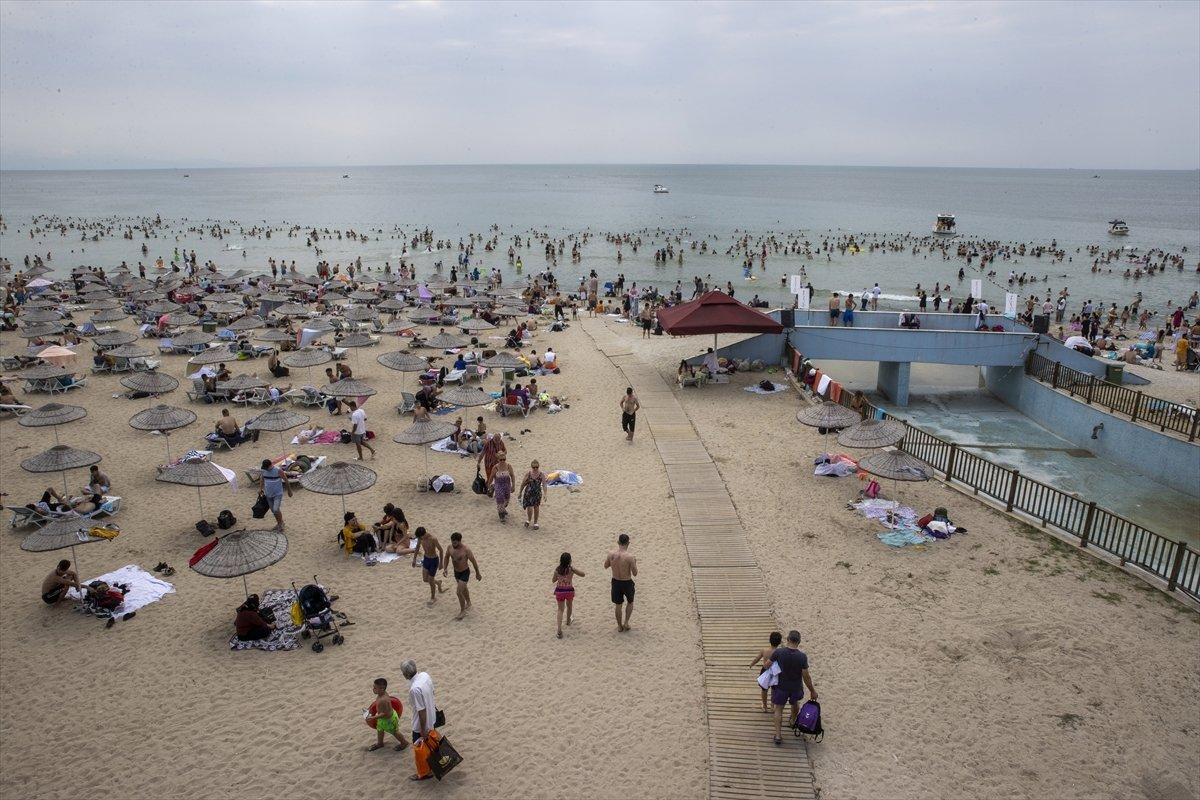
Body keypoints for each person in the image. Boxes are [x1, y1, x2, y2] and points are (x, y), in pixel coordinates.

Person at [771, 629, 818, 746]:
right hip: (796, 687)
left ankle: (778, 735)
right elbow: (806, 676)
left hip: (781, 686)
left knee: (778, 709)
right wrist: (812, 690)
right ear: (799, 642)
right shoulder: (802, 657)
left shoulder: (779, 652)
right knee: (795, 703)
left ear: (787, 640)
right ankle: (792, 721)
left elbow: (767, 665)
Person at [401, 660, 440, 782]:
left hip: (421, 723)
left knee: (420, 749)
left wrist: (422, 729)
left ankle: (424, 773)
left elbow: (421, 711)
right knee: (432, 742)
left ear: (405, 675)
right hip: (432, 717)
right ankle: (435, 762)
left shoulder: (414, 689)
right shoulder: (425, 675)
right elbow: (432, 693)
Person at [442, 532, 481, 621]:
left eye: (455, 543)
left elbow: (473, 561)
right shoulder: (450, 547)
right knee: (463, 589)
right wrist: (445, 568)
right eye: (452, 542)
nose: (453, 544)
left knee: (459, 592)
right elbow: (446, 557)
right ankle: (468, 602)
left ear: (460, 541)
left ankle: (462, 611)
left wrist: (477, 573)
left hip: (464, 572)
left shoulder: (466, 550)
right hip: (456, 572)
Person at [604, 533, 637, 632]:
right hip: (627, 582)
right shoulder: (630, 557)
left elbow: (605, 566)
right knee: (630, 602)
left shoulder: (611, 554)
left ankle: (619, 626)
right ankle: (626, 622)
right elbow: (635, 573)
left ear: (618, 542)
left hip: (616, 581)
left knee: (618, 605)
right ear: (628, 543)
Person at [365, 677, 408, 752]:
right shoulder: (381, 694)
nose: (373, 689)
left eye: (375, 688)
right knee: (380, 730)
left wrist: (373, 717)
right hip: (382, 719)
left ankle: (404, 743)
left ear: (382, 689)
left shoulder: (383, 700)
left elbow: (384, 713)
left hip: (389, 720)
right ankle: (380, 743)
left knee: (394, 732)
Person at [407, 527, 447, 603]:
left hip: (434, 561)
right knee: (425, 579)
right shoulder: (421, 538)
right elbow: (417, 548)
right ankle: (438, 582)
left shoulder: (433, 539)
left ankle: (433, 598)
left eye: (420, 537)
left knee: (431, 581)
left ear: (423, 534)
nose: (419, 538)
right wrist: (414, 559)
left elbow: (441, 550)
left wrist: (441, 563)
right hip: (426, 559)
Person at [552, 552, 584, 639]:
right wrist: (573, 569)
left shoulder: (557, 570)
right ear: (570, 561)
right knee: (569, 606)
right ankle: (568, 621)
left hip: (560, 591)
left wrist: (559, 577)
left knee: (560, 609)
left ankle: (559, 630)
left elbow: (553, 580)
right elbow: (583, 574)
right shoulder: (571, 569)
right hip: (569, 590)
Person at [749, 631, 784, 713]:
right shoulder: (780, 652)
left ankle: (764, 706)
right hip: (776, 672)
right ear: (779, 642)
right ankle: (772, 706)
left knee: (764, 689)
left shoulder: (764, 650)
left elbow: (757, 658)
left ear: (770, 640)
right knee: (774, 689)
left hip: (765, 671)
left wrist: (752, 664)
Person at [259, 458, 293, 532]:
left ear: (270, 465)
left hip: (277, 493)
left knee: (276, 509)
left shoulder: (278, 470)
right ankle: (280, 523)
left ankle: (281, 524)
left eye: (267, 468)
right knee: (273, 511)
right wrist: (260, 489)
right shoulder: (264, 471)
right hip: (268, 494)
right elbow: (262, 479)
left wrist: (289, 491)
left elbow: (286, 480)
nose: (266, 469)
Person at [487, 452, 516, 521]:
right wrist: (488, 486)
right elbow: (491, 477)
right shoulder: (495, 467)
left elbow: (512, 475)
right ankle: (501, 516)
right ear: (498, 460)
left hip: (507, 486)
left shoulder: (509, 466)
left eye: (504, 459)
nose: (502, 461)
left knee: (507, 500)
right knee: (500, 500)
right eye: (501, 460)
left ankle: (503, 509)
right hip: (498, 486)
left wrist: (513, 485)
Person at [519, 459, 547, 529]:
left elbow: (544, 484)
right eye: (533, 467)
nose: (535, 468)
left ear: (538, 467)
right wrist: (520, 492)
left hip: (537, 493)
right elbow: (523, 484)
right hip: (528, 492)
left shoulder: (541, 474)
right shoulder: (528, 474)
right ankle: (528, 520)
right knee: (529, 507)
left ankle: (535, 522)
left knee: (536, 507)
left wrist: (545, 494)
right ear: (531, 467)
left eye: (536, 467)